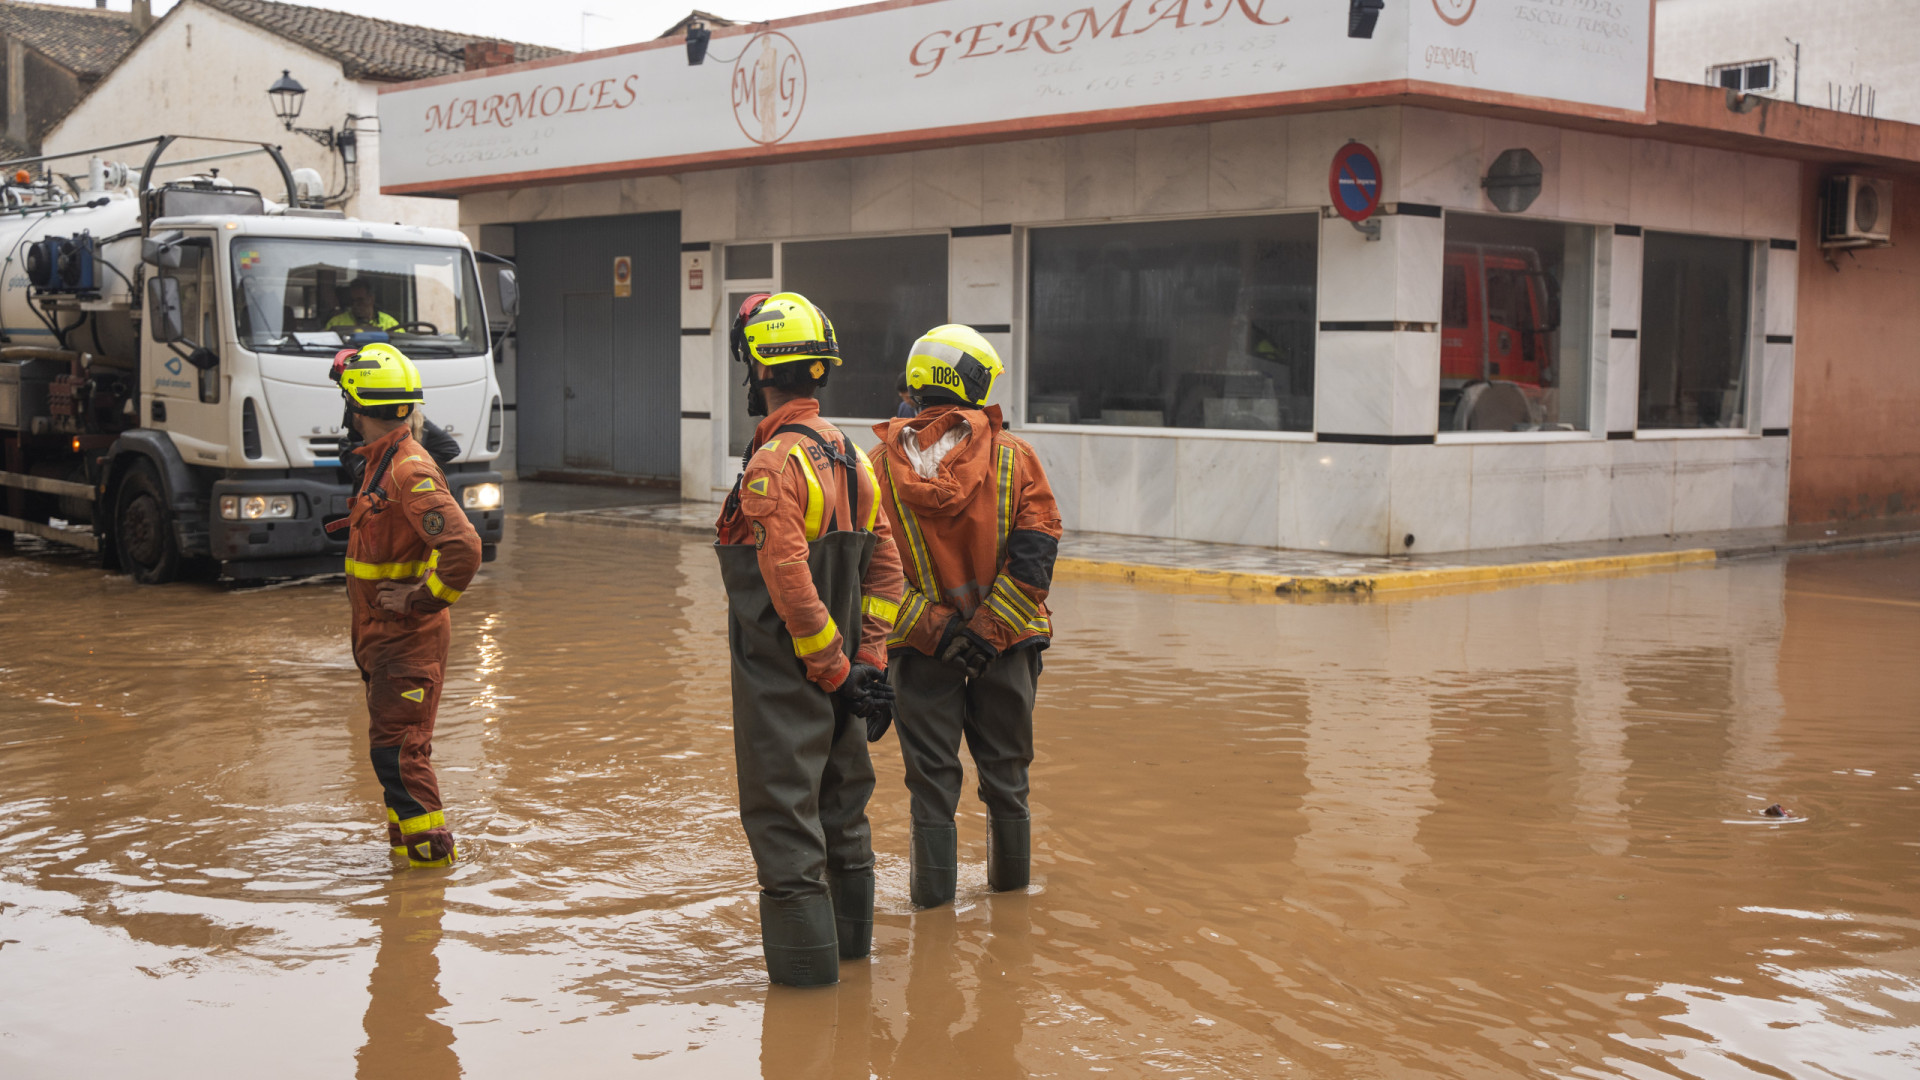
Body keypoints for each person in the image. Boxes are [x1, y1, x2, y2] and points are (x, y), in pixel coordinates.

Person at [715, 290, 905, 987]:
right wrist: (869, 660)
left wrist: (831, 668)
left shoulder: (774, 466)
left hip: (787, 681)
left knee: (786, 828)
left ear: (761, 370)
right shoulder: (853, 456)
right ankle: (853, 973)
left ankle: (806, 1001)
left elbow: (788, 576)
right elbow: (887, 566)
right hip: (846, 679)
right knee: (844, 812)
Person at [868, 325, 1061, 908]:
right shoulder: (1015, 458)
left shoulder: (874, 466)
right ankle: (1011, 911)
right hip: (1007, 652)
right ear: (975, 381)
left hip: (921, 657)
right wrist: (986, 634)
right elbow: (1036, 555)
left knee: (931, 791)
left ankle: (933, 920)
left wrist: (942, 634)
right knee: (1008, 782)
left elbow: (869, 580)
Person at [329, 342, 481, 869]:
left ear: (356, 408)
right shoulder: (383, 462)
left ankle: (429, 876)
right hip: (383, 639)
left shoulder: (407, 471)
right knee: (394, 756)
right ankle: (408, 867)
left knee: (399, 757)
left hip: (404, 637)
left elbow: (463, 548)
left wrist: (421, 599)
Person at [328, 279, 401, 334]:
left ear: (371, 298)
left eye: (360, 300)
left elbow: (402, 345)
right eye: (352, 301)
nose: (355, 305)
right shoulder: (336, 323)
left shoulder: (390, 323)